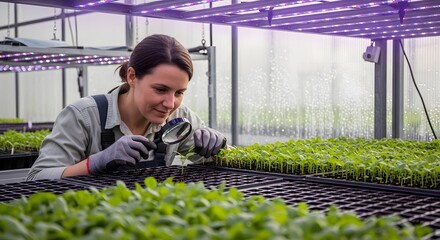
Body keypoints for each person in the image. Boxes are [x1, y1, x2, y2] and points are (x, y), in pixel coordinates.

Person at [27, 34, 227, 181]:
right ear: (132, 77)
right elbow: (37, 177)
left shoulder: (180, 116)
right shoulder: (84, 116)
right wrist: (96, 162)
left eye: (179, 93)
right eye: (160, 89)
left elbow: (224, 163)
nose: (170, 103)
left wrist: (218, 146)